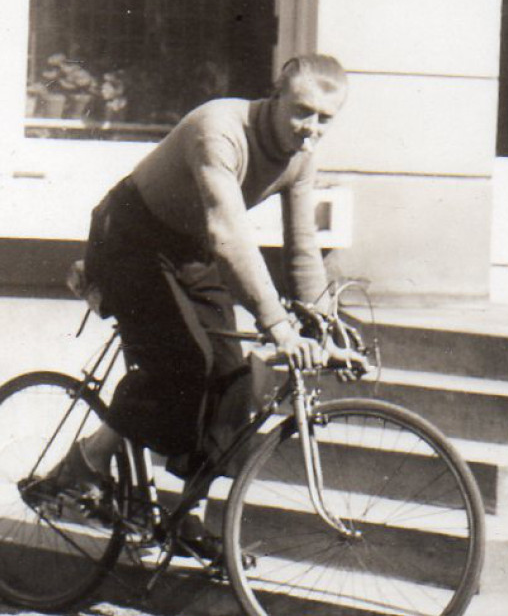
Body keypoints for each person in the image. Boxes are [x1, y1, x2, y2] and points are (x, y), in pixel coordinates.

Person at [32, 54, 350, 557]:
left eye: (324, 119)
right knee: (183, 359)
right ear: (274, 97)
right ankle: (83, 467)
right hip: (131, 237)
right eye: (302, 112)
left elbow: (302, 247)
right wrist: (278, 325)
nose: (310, 130)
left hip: (190, 249)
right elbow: (229, 234)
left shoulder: (301, 157)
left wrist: (322, 327)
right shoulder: (219, 128)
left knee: (232, 378)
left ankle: (186, 516)